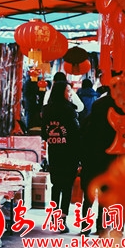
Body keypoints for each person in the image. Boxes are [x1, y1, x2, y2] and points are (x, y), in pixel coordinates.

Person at [78, 85, 121, 236]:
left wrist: (82, 159)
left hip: (91, 159)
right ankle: (102, 226)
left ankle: (85, 227)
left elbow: (83, 138)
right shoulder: (119, 111)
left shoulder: (93, 114)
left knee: (88, 196)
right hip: (110, 159)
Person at [41, 80, 81, 233]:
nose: (70, 94)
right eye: (68, 91)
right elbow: (75, 135)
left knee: (56, 186)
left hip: (54, 153)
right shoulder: (69, 110)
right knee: (66, 187)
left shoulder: (46, 110)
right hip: (70, 153)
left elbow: (44, 133)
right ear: (61, 92)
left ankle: (54, 217)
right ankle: (62, 220)